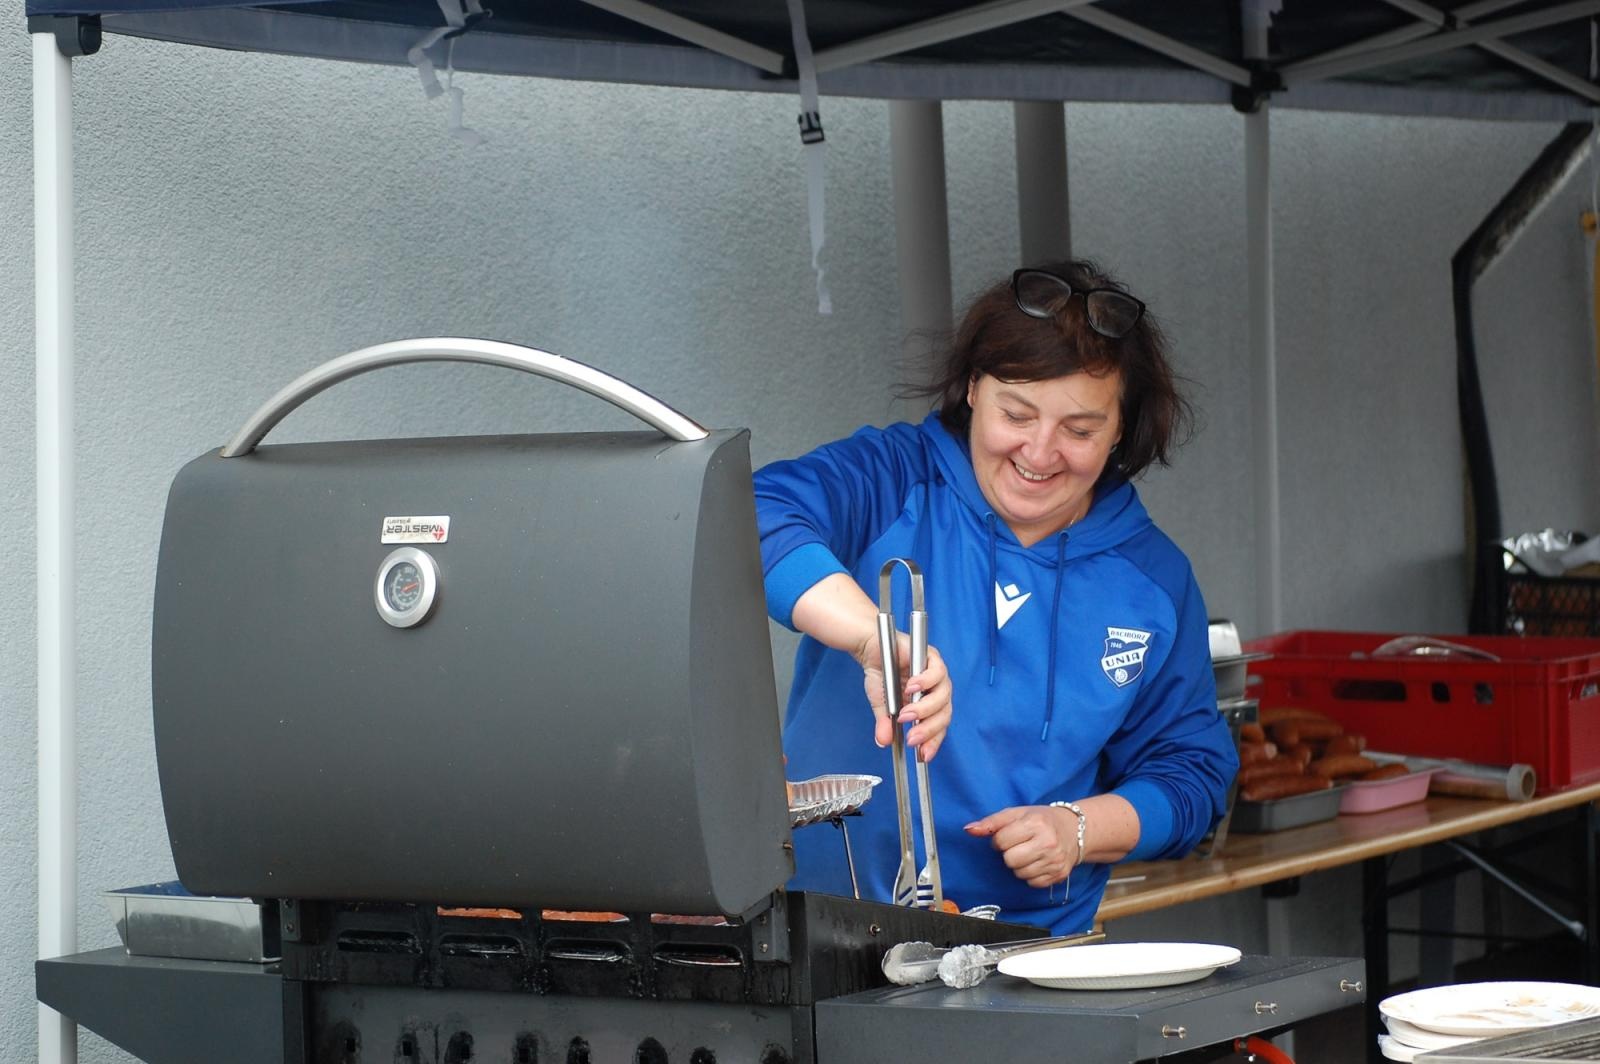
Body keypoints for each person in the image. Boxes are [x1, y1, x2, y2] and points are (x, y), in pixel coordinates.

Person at [753, 260, 1238, 936]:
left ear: (1122, 429)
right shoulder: (893, 480)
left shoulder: (1152, 579)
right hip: (823, 930)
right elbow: (753, 517)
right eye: (1018, 413)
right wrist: (874, 639)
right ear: (973, 389)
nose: (1040, 452)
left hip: (1031, 955)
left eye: (1080, 429)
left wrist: (1078, 828)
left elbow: (1194, 772)